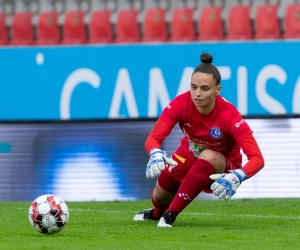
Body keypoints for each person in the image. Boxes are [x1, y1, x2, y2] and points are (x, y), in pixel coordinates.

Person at [133, 52, 265, 227]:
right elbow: (153, 139)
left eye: (204, 88)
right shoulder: (180, 104)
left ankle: (171, 214)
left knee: (209, 155)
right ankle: (158, 213)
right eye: (193, 87)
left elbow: (258, 159)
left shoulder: (230, 116)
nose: (197, 94)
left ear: (218, 89)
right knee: (161, 192)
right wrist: (155, 153)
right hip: (191, 151)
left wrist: (238, 176)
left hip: (223, 166)